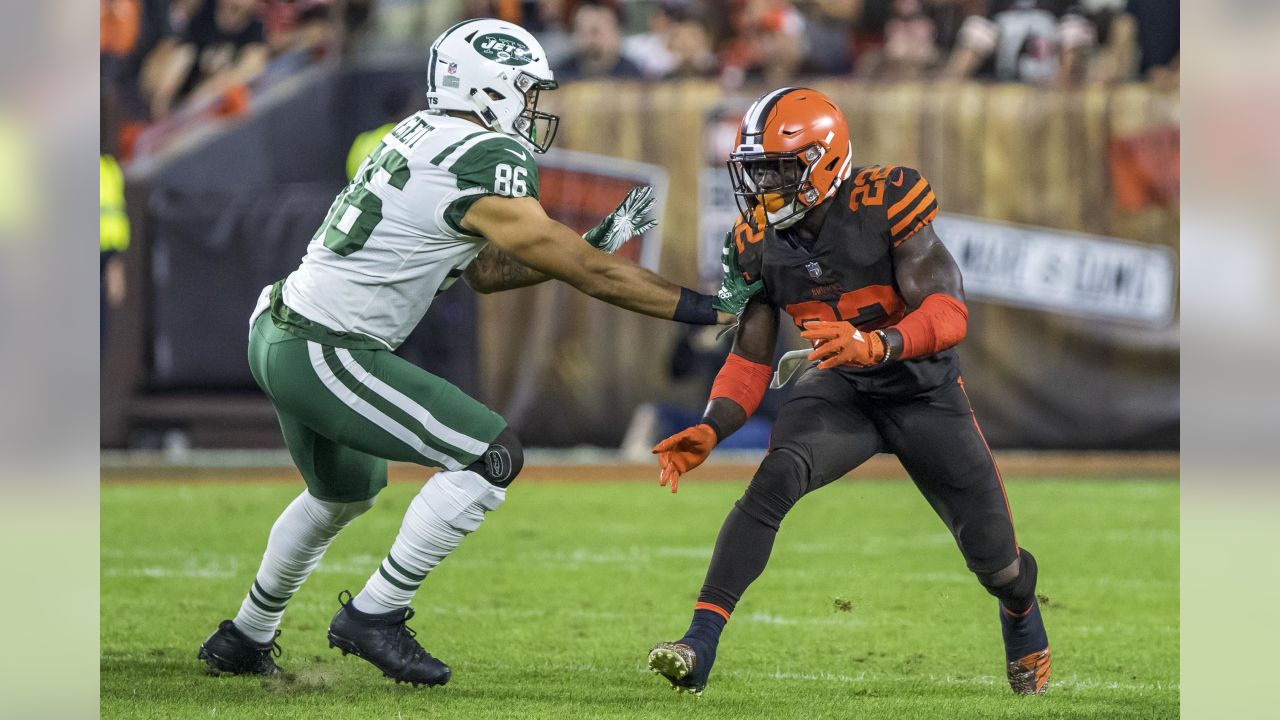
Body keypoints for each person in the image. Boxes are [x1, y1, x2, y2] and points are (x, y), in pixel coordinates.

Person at [197, 18, 732, 687]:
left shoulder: (421, 131)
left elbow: (485, 272)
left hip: (283, 328)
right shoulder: (484, 155)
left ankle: (246, 634)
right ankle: (375, 615)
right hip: (326, 348)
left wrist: (590, 241)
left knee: (343, 491)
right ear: (490, 88)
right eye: (526, 92)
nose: (534, 110)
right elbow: (583, 273)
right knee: (490, 454)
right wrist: (709, 306)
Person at [645, 87, 1052, 697]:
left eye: (778, 171)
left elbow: (950, 308)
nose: (764, 188)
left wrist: (878, 344)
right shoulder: (754, 238)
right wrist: (713, 426)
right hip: (841, 389)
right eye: (755, 173)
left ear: (824, 158)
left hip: (922, 393)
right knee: (775, 476)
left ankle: (1020, 611)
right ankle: (698, 642)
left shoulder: (883, 199)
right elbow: (750, 357)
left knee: (1000, 565)